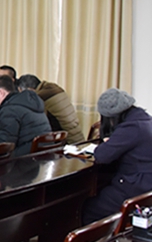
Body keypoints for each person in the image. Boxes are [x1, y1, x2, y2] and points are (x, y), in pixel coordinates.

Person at [82, 88, 152, 224]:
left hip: (136, 185)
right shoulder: (144, 119)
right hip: (146, 184)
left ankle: (101, 238)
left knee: (90, 207)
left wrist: (107, 143)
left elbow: (101, 156)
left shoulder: (130, 127)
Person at [0, 75, 51, 156]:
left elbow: (3, 146)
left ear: (1, 93)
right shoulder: (29, 103)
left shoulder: (9, 110)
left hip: (24, 158)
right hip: (42, 153)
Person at [17, 74, 85, 144]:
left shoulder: (40, 98)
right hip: (76, 134)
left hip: (66, 140)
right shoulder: (54, 88)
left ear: (29, 89)